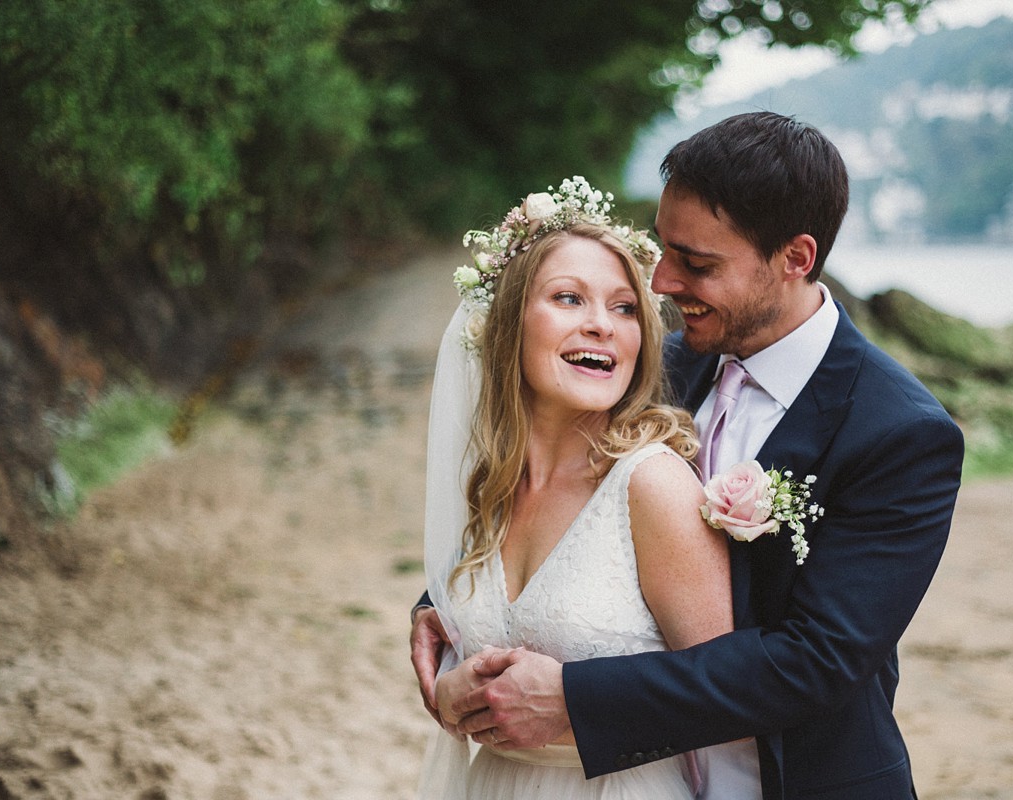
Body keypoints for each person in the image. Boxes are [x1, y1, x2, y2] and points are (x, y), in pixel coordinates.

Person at [413, 113, 966, 799]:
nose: (664, 283)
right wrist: (448, 606)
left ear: (796, 258)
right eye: (665, 250)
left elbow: (817, 662)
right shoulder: (652, 366)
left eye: (697, 264)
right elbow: (549, 499)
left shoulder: (899, 433)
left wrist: (574, 699)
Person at [414, 177, 734, 799]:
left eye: (623, 308)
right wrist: (451, 691)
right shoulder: (492, 488)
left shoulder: (652, 484)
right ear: (509, 323)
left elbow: (724, 692)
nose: (602, 326)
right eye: (569, 299)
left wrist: (575, 709)